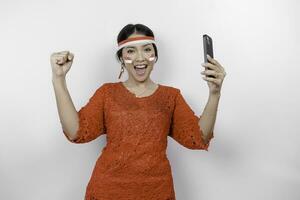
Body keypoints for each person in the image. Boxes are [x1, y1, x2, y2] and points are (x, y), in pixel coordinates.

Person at [51, 23, 226, 200]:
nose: (140, 58)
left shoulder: (171, 97)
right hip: (107, 191)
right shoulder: (107, 93)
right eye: (131, 51)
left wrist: (214, 93)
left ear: (155, 56)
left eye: (147, 49)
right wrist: (59, 79)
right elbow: (76, 132)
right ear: (121, 58)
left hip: (158, 192)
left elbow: (199, 138)